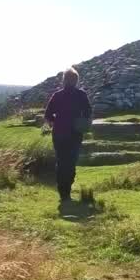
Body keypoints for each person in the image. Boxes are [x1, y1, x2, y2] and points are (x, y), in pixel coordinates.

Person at [43, 67, 92, 202]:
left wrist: (56, 122)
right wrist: (81, 123)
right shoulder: (81, 95)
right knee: (71, 162)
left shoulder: (57, 95)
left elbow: (47, 115)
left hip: (58, 133)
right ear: (76, 80)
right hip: (75, 134)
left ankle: (63, 193)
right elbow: (88, 113)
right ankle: (67, 191)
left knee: (61, 161)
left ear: (64, 81)